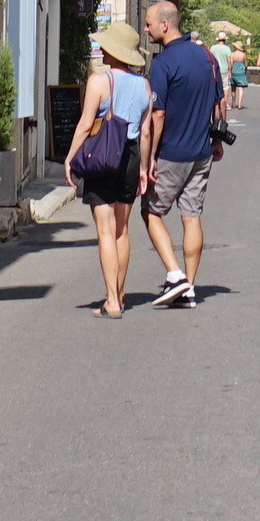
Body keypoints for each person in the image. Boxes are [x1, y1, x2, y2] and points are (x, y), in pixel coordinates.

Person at [137, 0, 225, 309]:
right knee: (192, 217)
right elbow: (219, 101)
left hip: (171, 153)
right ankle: (190, 286)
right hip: (201, 151)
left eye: (148, 24)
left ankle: (175, 276)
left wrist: (148, 160)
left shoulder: (162, 64)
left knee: (151, 211)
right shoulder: (206, 56)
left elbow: (156, 115)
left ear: (164, 25)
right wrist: (216, 140)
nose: (145, 29)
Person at [65, 22, 153, 314]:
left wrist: (70, 157)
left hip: (103, 156)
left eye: (105, 46)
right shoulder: (143, 85)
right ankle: (120, 292)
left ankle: (111, 300)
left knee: (105, 230)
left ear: (114, 52)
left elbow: (86, 124)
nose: (101, 49)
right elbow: (146, 131)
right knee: (122, 230)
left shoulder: (99, 81)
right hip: (129, 156)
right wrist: (143, 166)